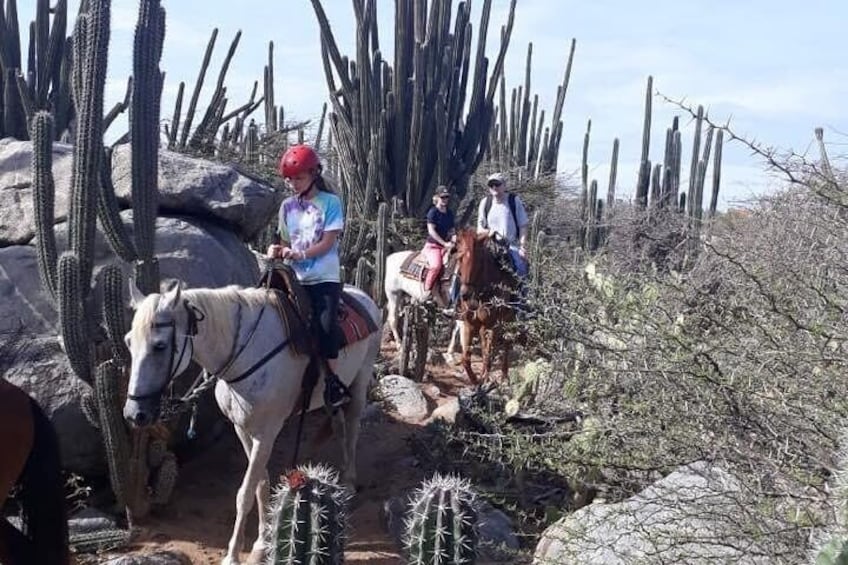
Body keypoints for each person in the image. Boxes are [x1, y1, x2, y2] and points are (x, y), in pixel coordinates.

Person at [266, 144, 349, 409]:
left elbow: (327, 242)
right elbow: (284, 240)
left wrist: (300, 255)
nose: (293, 184)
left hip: (323, 277)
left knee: (325, 328)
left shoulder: (330, 203)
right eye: (289, 179)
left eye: (299, 178)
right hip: (294, 276)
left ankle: (333, 381)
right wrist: (276, 249)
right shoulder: (286, 206)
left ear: (314, 174)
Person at [477, 172, 530, 278]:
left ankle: (524, 294)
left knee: (521, 268)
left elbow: (523, 226)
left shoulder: (513, 200)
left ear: (504, 185)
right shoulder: (485, 202)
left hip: (510, 245)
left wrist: (522, 247)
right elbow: (479, 229)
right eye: (491, 185)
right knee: (468, 267)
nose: (494, 187)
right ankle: (456, 293)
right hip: (490, 245)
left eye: (497, 184)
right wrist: (488, 232)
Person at [422, 185, 455, 312]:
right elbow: (432, 231)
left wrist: (454, 238)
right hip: (433, 246)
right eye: (443, 197)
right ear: (436, 197)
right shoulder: (433, 212)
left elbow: (452, 229)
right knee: (436, 266)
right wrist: (444, 243)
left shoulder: (449, 213)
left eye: (447, 197)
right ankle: (428, 292)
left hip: (446, 245)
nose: (445, 199)